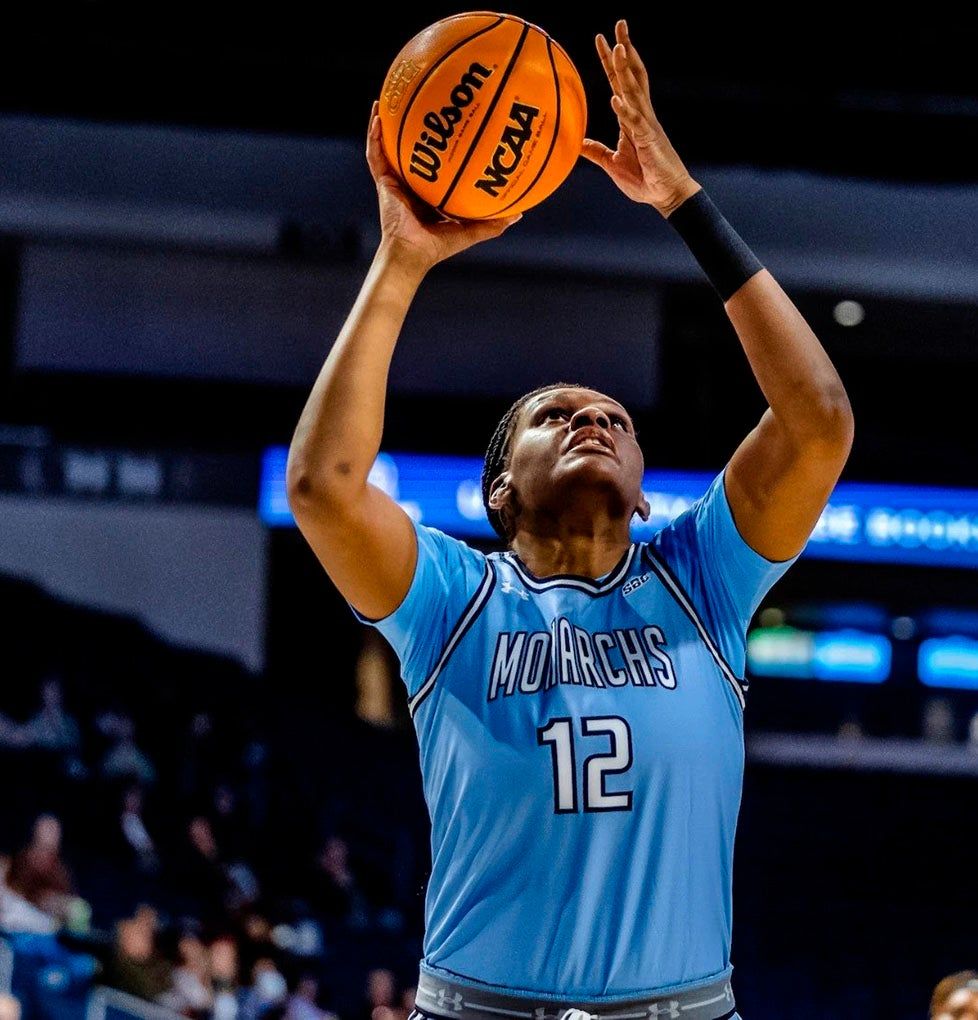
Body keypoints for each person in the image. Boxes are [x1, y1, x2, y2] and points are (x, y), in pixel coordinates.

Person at [285, 19, 853, 1020]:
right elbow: (324, 488)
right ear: (499, 491)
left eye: (615, 419)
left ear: (643, 491)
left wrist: (682, 200)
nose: (593, 417)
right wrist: (404, 261)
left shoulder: (701, 574)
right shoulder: (454, 599)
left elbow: (817, 422)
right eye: (554, 416)